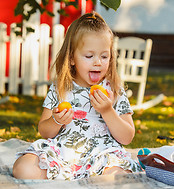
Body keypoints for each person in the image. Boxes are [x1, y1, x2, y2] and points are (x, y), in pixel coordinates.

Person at [12, 11, 142, 180]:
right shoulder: (61, 88)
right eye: (89, 56)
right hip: (63, 153)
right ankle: (72, 177)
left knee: (117, 177)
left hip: (101, 156)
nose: (97, 62)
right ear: (72, 58)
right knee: (23, 169)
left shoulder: (114, 90)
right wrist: (57, 120)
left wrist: (108, 110)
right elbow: (44, 131)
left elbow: (127, 137)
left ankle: (91, 180)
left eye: (104, 56)